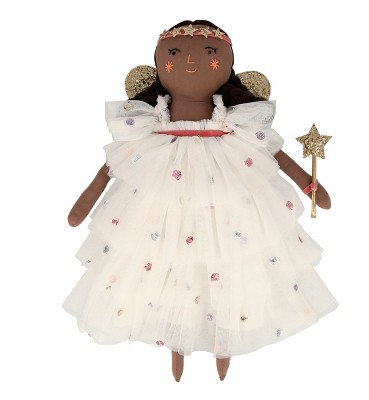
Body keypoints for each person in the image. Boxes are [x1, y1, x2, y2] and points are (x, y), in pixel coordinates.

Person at [64, 20, 338, 382]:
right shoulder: (149, 125)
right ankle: (177, 339)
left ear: (227, 66)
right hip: (164, 206)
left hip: (228, 204)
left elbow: (274, 153)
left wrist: (308, 183)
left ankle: (226, 341)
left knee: (230, 262)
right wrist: (86, 200)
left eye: (209, 53)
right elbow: (116, 163)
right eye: (175, 54)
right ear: (159, 66)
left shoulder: (237, 123)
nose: (190, 61)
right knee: (168, 263)